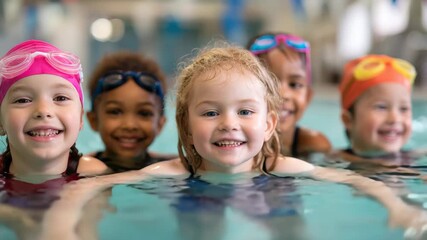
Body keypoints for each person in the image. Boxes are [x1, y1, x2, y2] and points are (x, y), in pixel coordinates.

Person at [37, 45, 427, 239]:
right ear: (186, 128)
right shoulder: (170, 171)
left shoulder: (281, 167)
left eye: (245, 112)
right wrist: (59, 224)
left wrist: (400, 209)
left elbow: (355, 180)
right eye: (210, 113)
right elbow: (90, 187)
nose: (228, 125)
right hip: (192, 206)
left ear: (270, 123)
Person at [0, 39, 109, 181]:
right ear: (1, 122)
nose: (44, 111)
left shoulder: (94, 173)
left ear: (81, 118)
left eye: (61, 98)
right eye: (23, 100)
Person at [86, 51, 175, 173]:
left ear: (160, 123)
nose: (130, 125)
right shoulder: (77, 167)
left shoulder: (176, 167)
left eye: (144, 113)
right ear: (93, 120)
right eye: (115, 112)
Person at [246, 32, 331, 158]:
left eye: (294, 85)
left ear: (308, 97)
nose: (283, 94)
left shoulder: (314, 144)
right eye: (270, 83)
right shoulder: (237, 145)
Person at [331, 54, 418, 169]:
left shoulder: (413, 156)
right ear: (348, 120)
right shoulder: (337, 158)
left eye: (404, 109)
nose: (395, 119)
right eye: (381, 107)